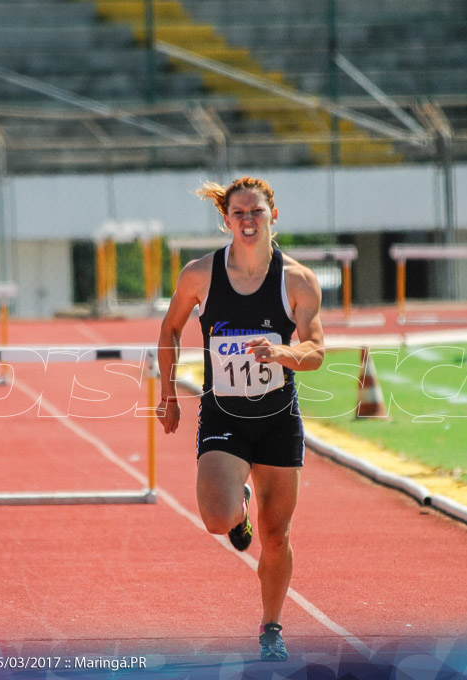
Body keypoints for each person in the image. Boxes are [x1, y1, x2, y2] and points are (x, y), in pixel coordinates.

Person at [156, 176, 325, 661]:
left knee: (276, 535)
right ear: (225, 220)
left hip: (277, 419)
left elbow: (315, 351)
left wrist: (283, 351)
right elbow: (170, 329)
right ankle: (238, 505)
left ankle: (271, 627)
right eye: (239, 214)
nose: (248, 221)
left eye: (257, 212)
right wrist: (168, 395)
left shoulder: (296, 281)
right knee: (216, 518)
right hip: (223, 415)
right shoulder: (200, 275)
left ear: (274, 217)